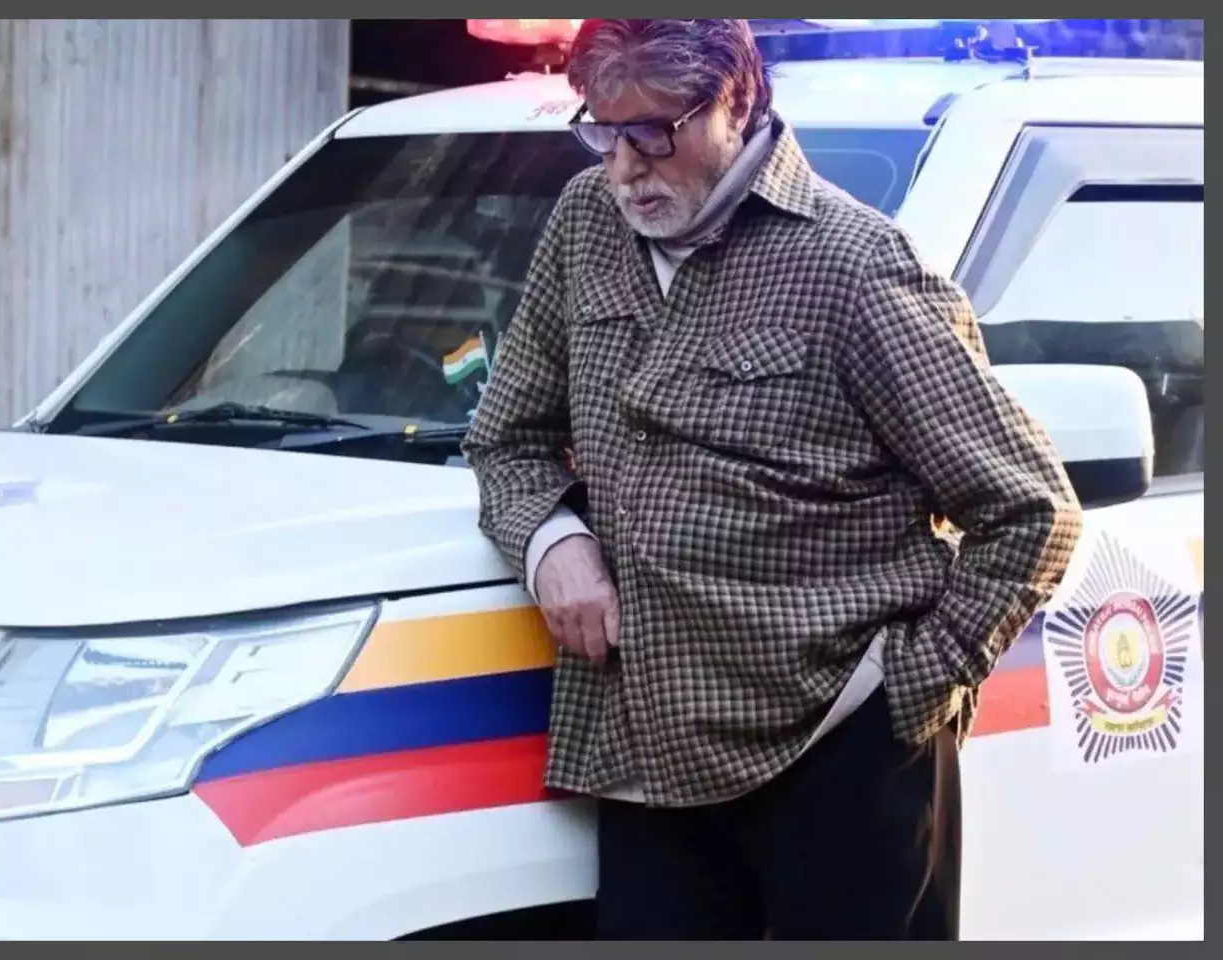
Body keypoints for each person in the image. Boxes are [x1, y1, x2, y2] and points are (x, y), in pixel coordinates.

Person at [461, 18, 1083, 941]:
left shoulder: (856, 268)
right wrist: (554, 542)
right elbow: (506, 438)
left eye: (653, 135)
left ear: (739, 101)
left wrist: (905, 695)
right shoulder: (586, 222)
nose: (625, 168)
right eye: (601, 130)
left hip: (838, 762)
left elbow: (1033, 510)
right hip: (648, 754)